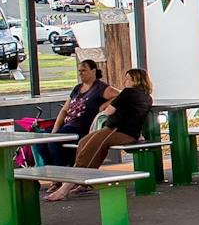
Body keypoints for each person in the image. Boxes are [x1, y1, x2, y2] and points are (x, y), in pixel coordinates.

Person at [59, 67, 153, 196]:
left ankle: (66, 187)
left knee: (88, 148)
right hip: (130, 134)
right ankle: (84, 182)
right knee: (84, 142)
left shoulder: (127, 93)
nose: (125, 81)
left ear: (135, 81)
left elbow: (108, 112)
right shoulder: (147, 98)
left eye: (127, 79)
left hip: (117, 130)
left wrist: (100, 113)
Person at [36, 59, 108, 170]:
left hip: (80, 126)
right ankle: (53, 173)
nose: (81, 73)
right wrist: (55, 128)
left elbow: (120, 96)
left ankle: (62, 174)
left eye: (84, 70)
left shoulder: (101, 88)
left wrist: (104, 106)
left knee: (54, 143)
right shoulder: (77, 88)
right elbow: (64, 110)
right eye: (79, 71)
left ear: (93, 71)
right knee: (41, 142)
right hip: (67, 123)